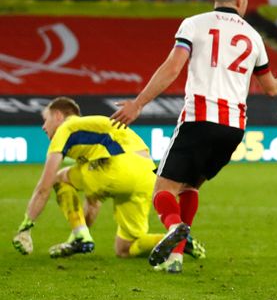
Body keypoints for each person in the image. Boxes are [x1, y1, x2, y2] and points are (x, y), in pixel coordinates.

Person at [110, 0, 277, 274]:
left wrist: (138, 103)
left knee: (162, 190)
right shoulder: (254, 36)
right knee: (191, 186)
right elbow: (270, 88)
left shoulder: (194, 24)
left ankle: (175, 227)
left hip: (199, 118)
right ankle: (175, 257)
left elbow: (173, 66)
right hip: (233, 128)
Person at [11, 97, 205, 261]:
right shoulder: (92, 135)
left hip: (119, 167)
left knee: (61, 178)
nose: (43, 127)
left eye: (45, 120)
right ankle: (175, 239)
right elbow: (93, 202)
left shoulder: (66, 128)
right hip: (147, 174)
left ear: (58, 116)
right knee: (125, 248)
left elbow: (44, 185)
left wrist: (26, 225)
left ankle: (80, 235)